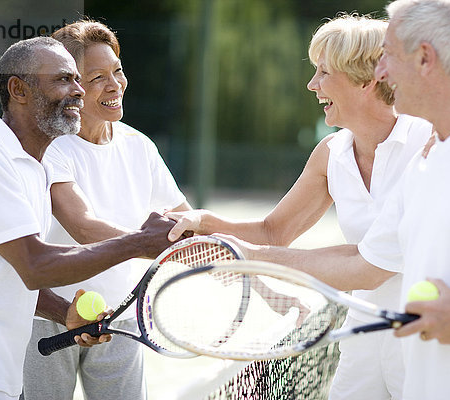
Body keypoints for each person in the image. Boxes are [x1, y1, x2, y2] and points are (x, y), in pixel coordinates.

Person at [200, 1, 450, 398]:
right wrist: (250, 254)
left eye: (388, 56)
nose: (380, 71)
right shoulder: (428, 164)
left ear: (425, 58)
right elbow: (366, 264)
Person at [167, 15, 432, 400]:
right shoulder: (331, 154)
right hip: (365, 332)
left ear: (366, 78)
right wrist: (205, 223)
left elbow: (369, 265)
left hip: (430, 335)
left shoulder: (428, 141)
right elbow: (275, 232)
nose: (312, 84)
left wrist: (253, 255)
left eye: (324, 72)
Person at [0, 37, 187, 400]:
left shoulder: (32, 167)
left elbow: (8, 273)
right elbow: (35, 265)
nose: (77, 92)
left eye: (76, 81)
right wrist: (136, 243)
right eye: (63, 80)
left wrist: (65, 312)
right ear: (19, 89)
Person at [19, 20, 192, 400]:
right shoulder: (50, 147)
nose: (115, 84)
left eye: (117, 70)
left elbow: (189, 222)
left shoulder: (139, 146)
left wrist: (258, 275)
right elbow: (83, 227)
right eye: (97, 77)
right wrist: (148, 244)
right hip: (46, 317)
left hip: (121, 315)